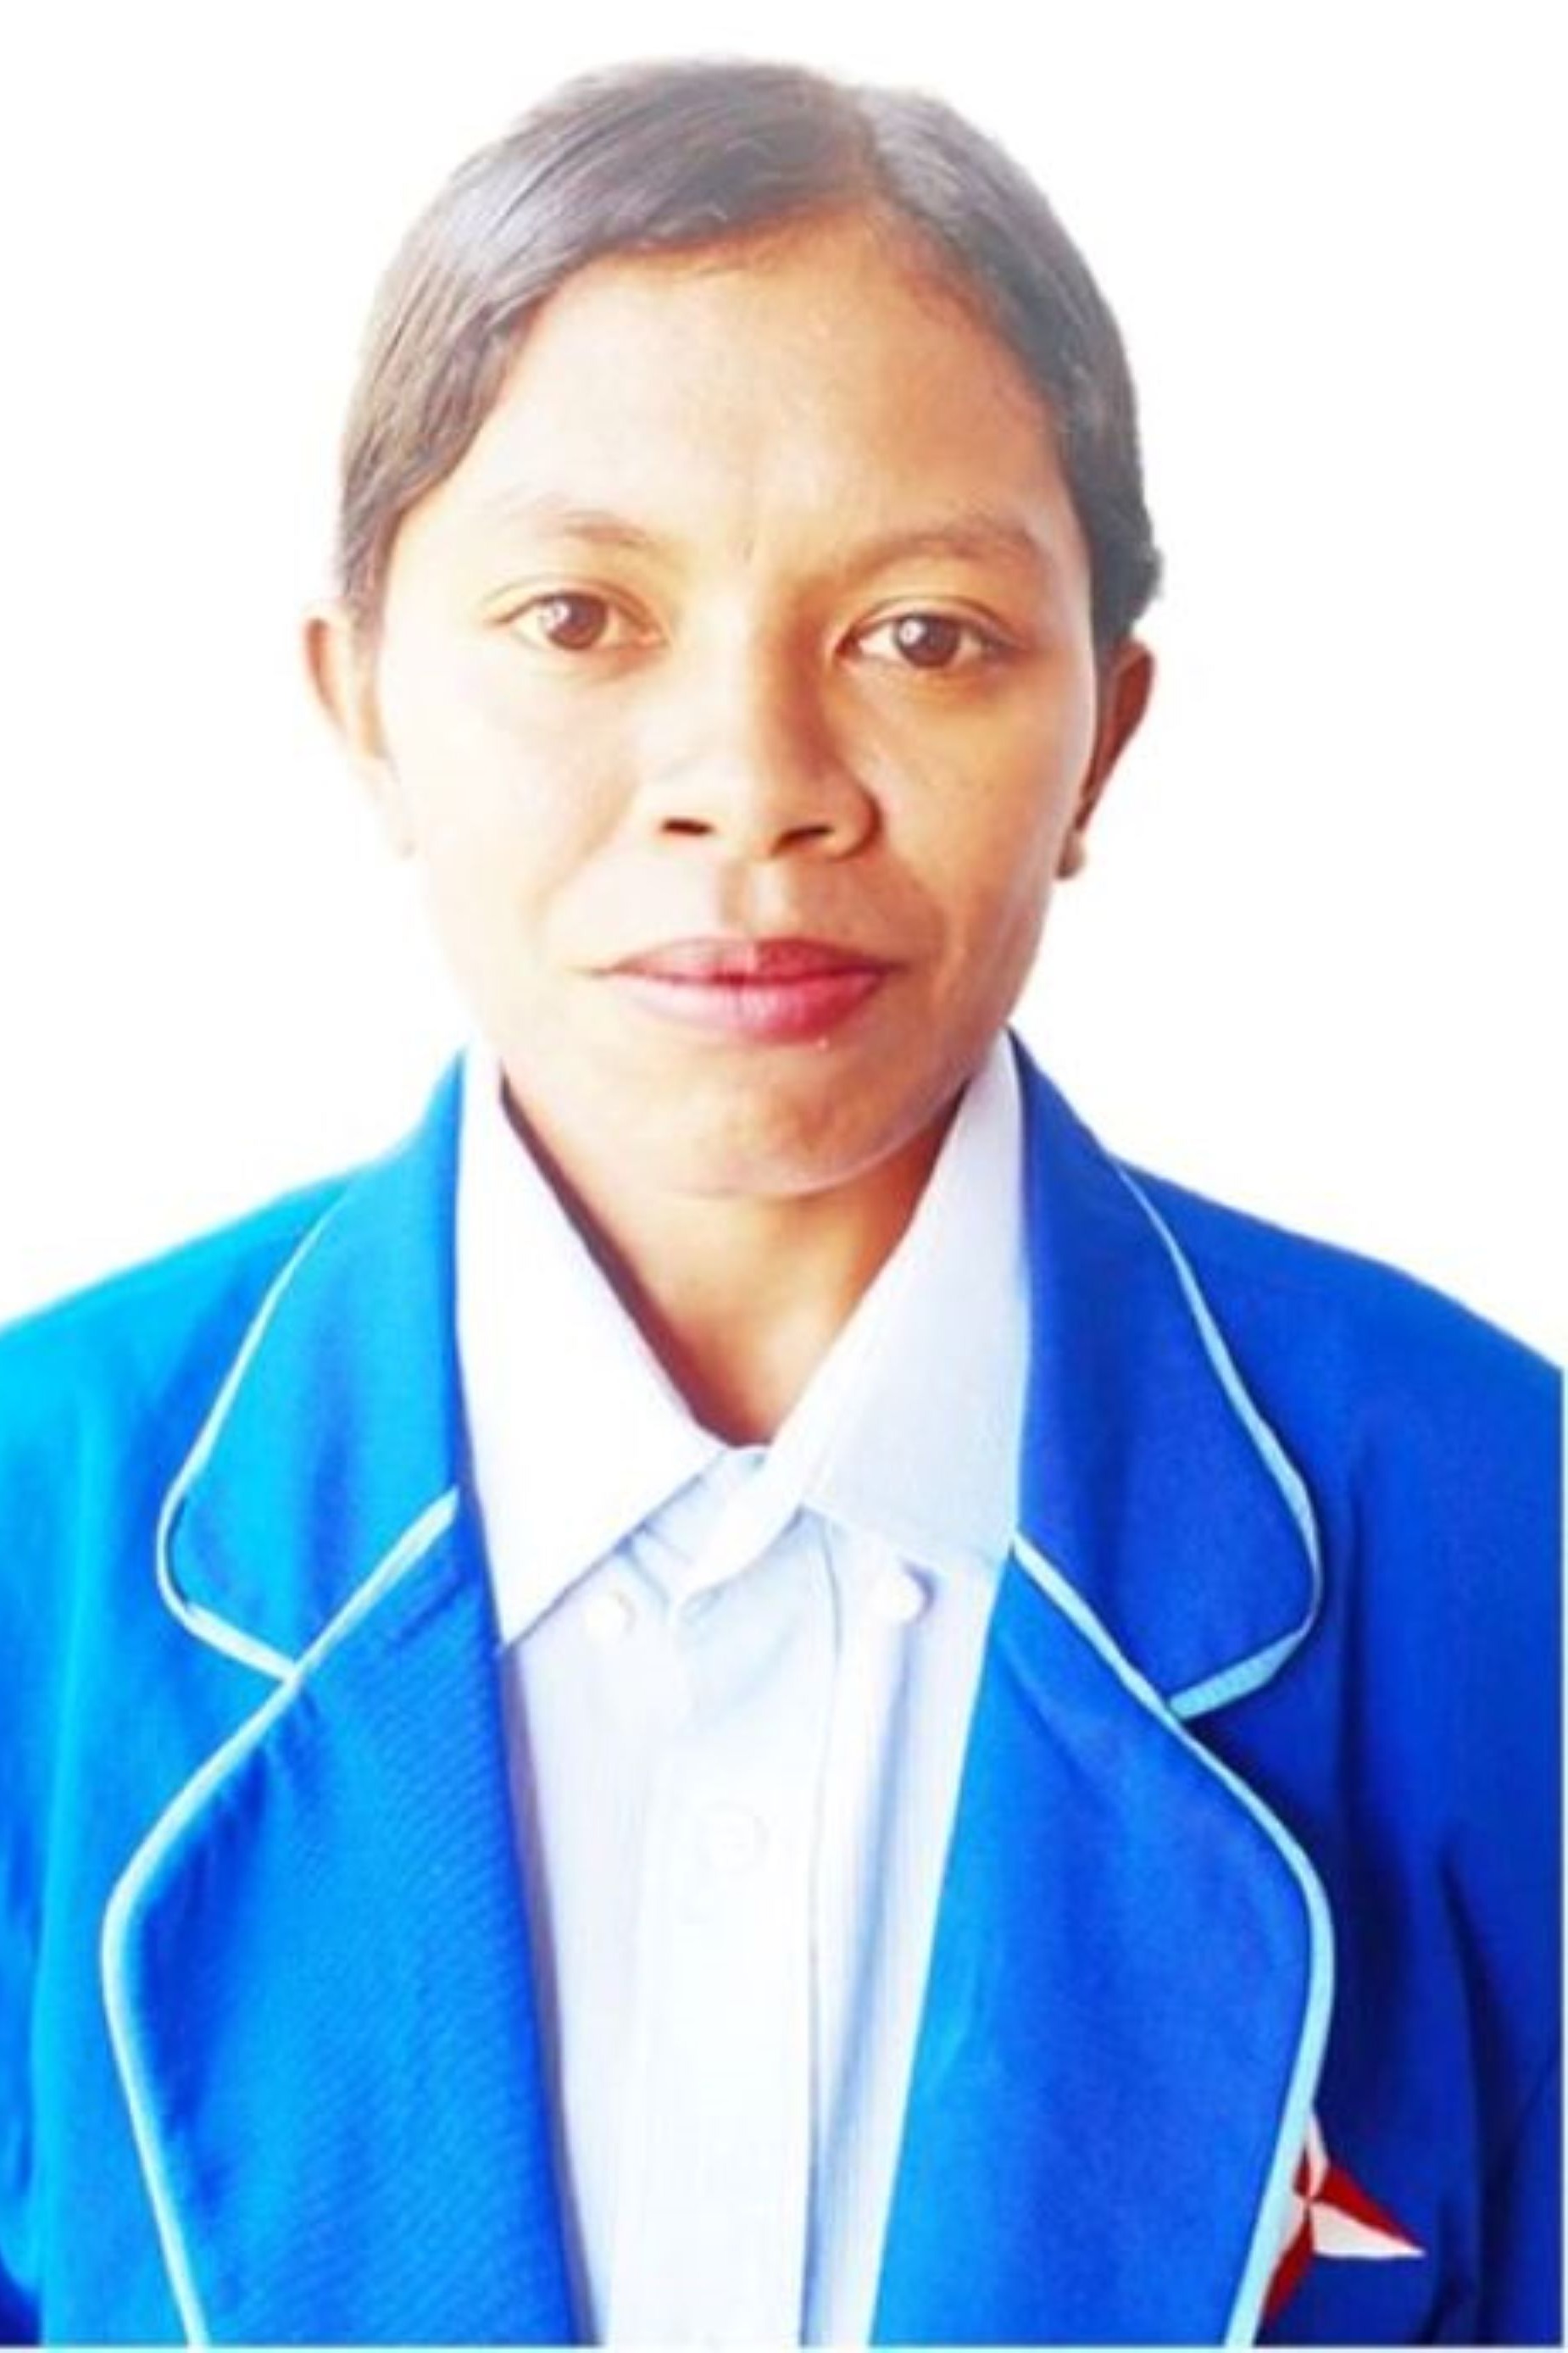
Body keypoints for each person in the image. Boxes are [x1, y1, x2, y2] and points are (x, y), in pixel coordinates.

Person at [0, 55, 1557, 2350]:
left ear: (1104, 736)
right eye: (577, 618)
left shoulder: (1506, 1541)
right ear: (362, 705)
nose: (751, 786)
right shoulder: (34, 1526)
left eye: (923, 634)